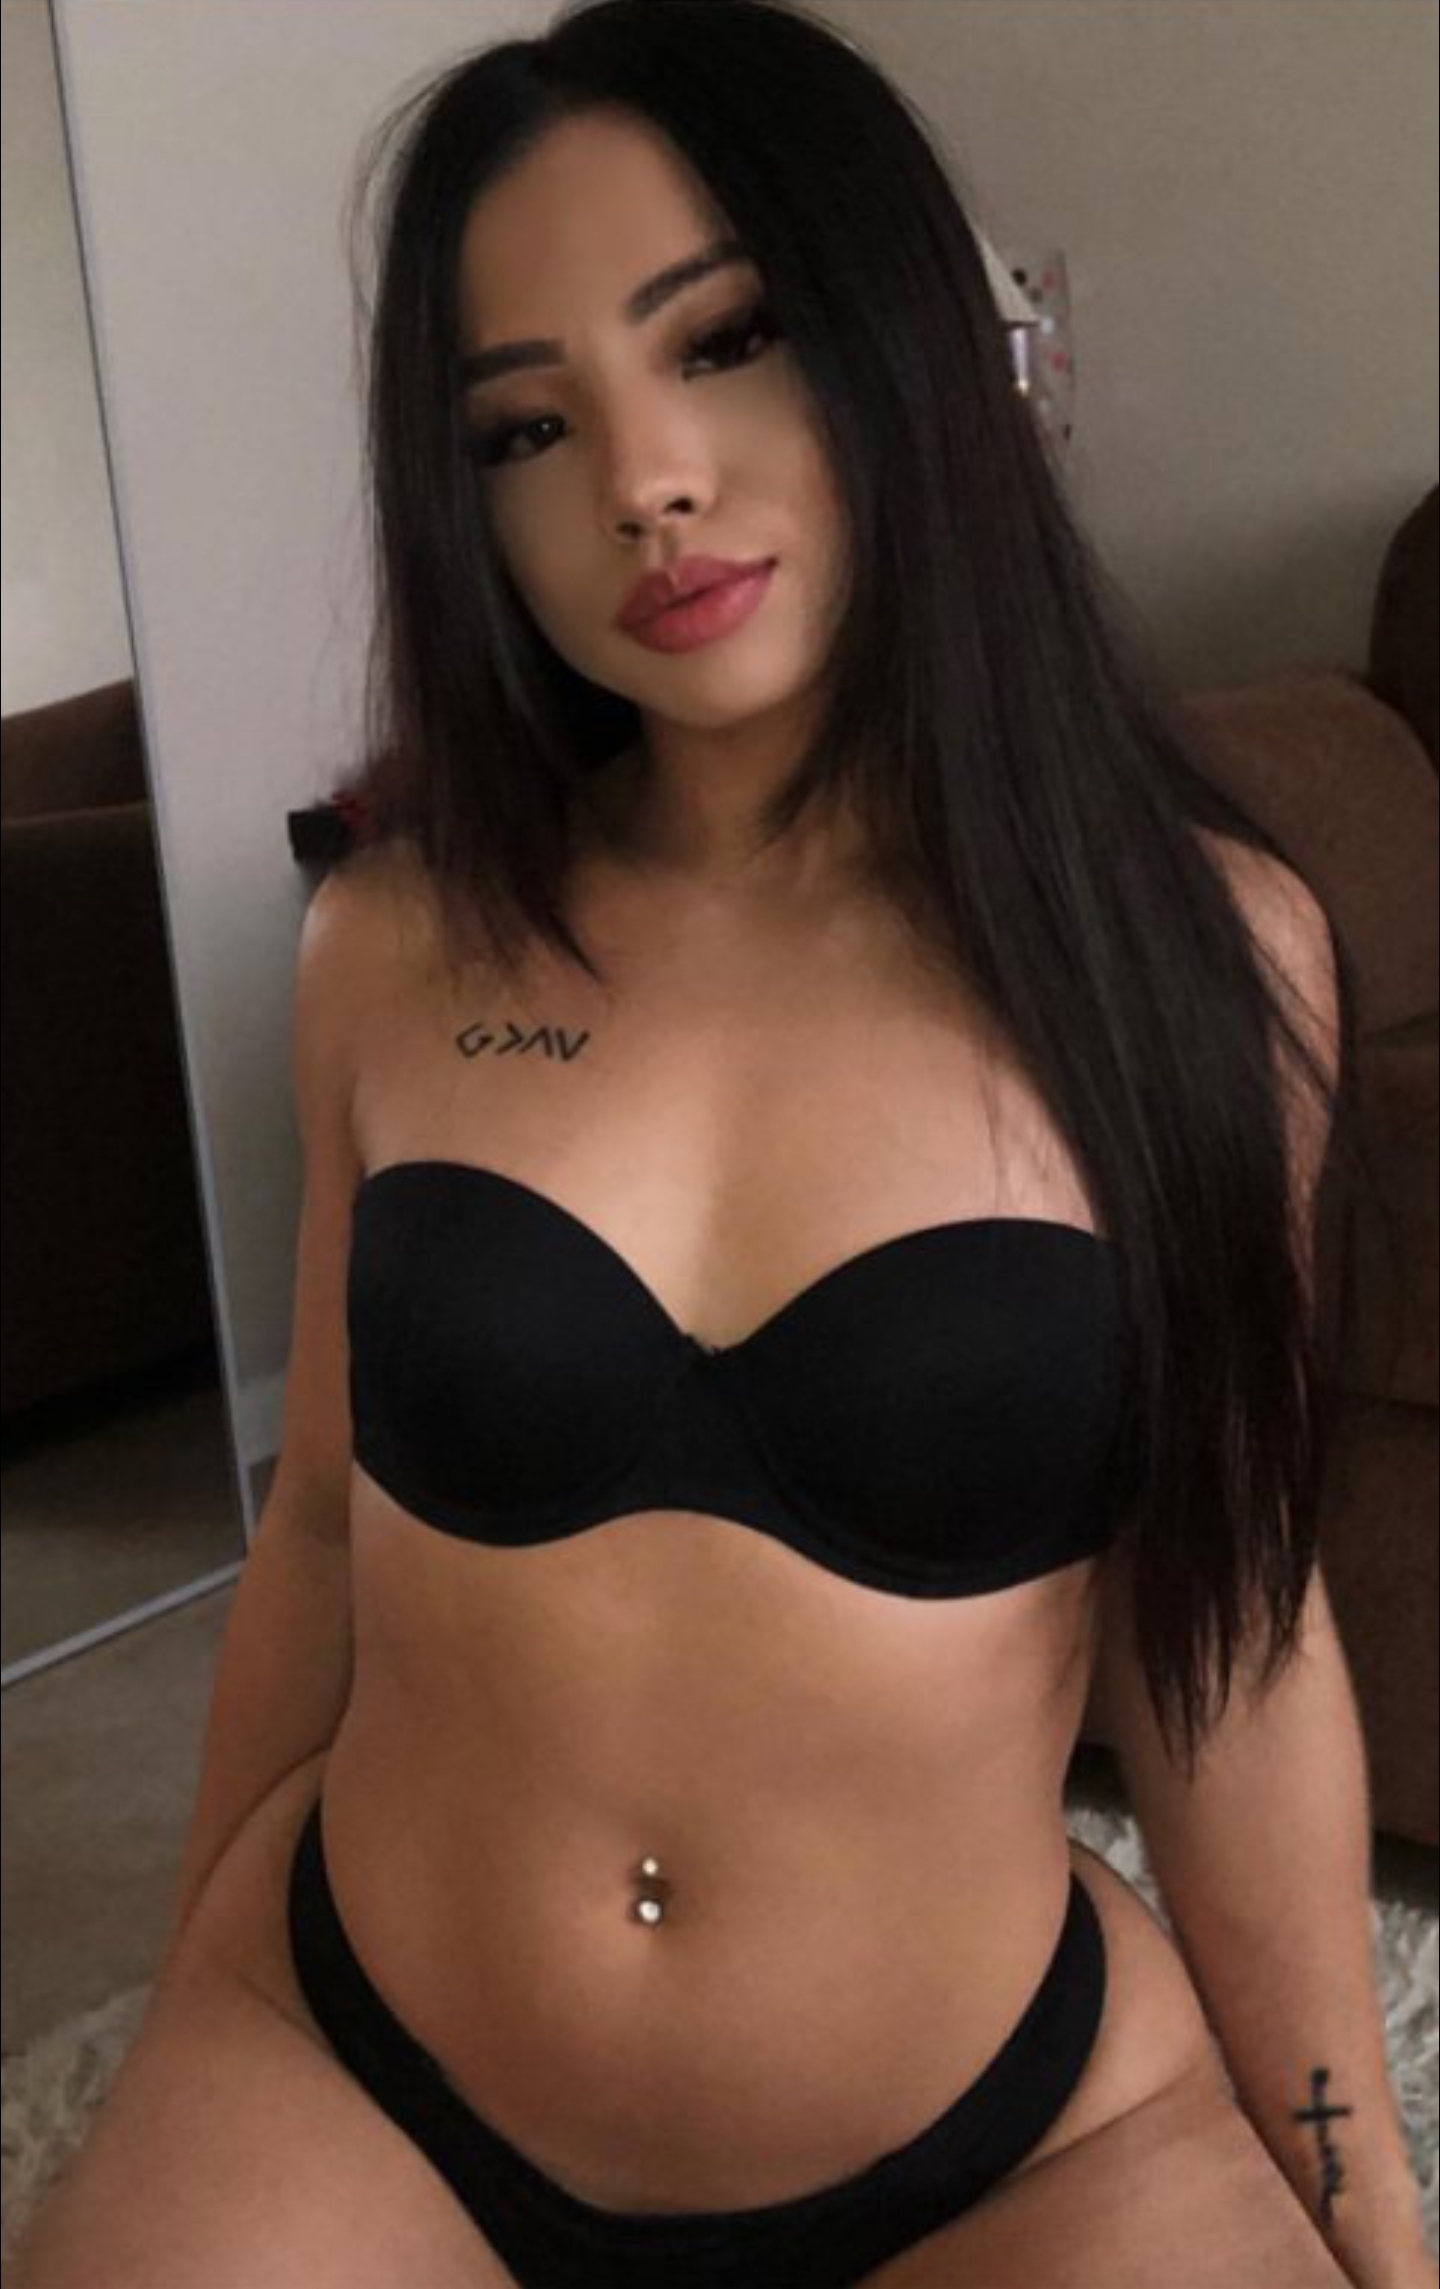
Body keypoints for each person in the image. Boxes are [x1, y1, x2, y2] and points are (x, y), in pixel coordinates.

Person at [17, 4, 1432, 2285]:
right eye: (526, 426)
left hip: (993, 2142)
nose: (642, 481)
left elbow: (1235, 1651)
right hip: (371, 2061)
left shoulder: (1195, 956)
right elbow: (322, 1528)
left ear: (902, 332)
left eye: (725, 338)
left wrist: (1370, 2212)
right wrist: (197, 1991)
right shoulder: (392, 940)